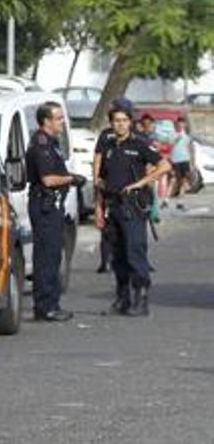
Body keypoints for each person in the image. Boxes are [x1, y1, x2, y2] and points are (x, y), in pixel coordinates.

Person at [95, 100, 171, 317]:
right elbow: (100, 180)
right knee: (117, 256)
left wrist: (140, 183)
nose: (120, 125)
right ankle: (122, 298)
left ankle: (141, 299)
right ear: (111, 123)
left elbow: (165, 165)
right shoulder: (108, 145)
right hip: (112, 205)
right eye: (116, 121)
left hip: (132, 206)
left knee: (134, 252)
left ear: (130, 122)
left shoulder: (139, 144)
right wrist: (99, 208)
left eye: (124, 120)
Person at [24, 102, 84, 322]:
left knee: (53, 254)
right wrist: (72, 178)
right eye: (58, 118)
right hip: (45, 205)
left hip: (52, 206)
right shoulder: (41, 146)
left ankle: (51, 303)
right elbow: (48, 179)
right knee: (47, 256)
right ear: (46, 121)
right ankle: (45, 306)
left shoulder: (52, 144)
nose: (62, 122)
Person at [92, 98, 133, 274]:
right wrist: (95, 179)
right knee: (107, 226)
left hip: (130, 189)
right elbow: (97, 157)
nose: (121, 123)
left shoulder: (133, 136)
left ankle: (129, 260)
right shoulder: (106, 136)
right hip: (107, 183)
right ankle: (106, 261)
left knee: (129, 230)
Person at [169, 117, 194, 203]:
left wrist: (191, 163)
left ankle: (180, 201)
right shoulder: (174, 134)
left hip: (185, 159)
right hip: (175, 160)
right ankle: (166, 200)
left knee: (184, 180)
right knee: (174, 179)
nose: (181, 125)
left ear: (185, 125)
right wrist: (177, 138)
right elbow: (170, 145)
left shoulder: (187, 136)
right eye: (179, 123)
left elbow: (189, 149)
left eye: (182, 123)